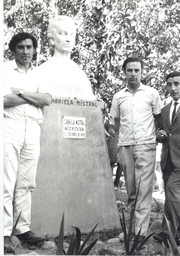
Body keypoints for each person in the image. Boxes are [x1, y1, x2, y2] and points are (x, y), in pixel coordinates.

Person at [3, 32, 52, 253]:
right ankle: (3, 232)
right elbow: (4, 100)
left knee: (26, 182)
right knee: (6, 181)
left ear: (34, 50)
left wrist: (21, 92)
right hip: (9, 128)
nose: (25, 51)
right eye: (21, 47)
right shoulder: (4, 70)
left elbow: (47, 99)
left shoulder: (39, 73)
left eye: (29, 47)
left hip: (32, 129)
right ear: (14, 49)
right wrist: (33, 96)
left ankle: (22, 229)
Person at [110, 56, 162, 236]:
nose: (133, 74)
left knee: (144, 189)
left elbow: (158, 119)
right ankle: (132, 230)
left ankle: (140, 233)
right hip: (126, 145)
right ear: (124, 73)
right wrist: (124, 139)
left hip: (145, 145)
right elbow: (116, 122)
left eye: (136, 70)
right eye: (129, 70)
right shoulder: (118, 96)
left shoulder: (151, 94)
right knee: (131, 190)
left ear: (141, 72)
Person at [153, 71, 180, 245]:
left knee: (172, 191)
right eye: (169, 84)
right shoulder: (164, 110)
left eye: (176, 84)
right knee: (177, 198)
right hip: (167, 159)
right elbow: (161, 134)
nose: (172, 88)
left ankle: (168, 232)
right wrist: (160, 134)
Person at [37, 15, 95, 100]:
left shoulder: (79, 74)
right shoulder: (42, 72)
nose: (68, 39)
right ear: (52, 39)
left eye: (71, 35)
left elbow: (90, 103)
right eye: (63, 33)